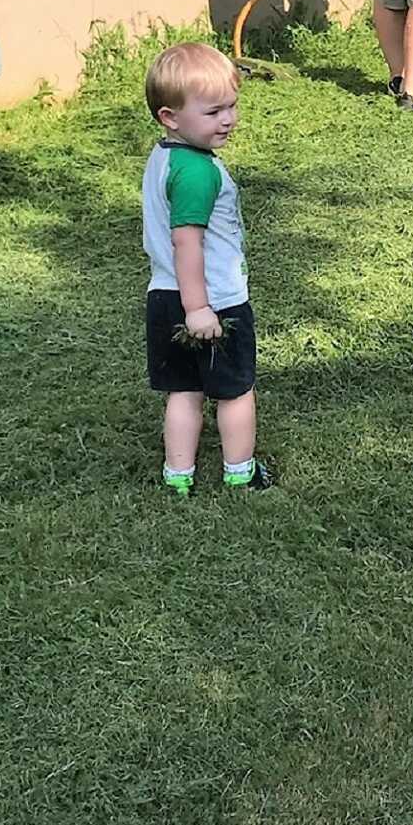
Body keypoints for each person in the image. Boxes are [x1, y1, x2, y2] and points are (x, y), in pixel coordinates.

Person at [142, 41, 273, 496]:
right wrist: (199, 308)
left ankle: (178, 475)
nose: (228, 119)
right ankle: (241, 471)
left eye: (232, 106)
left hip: (163, 295)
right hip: (212, 302)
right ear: (169, 117)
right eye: (214, 110)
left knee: (183, 391)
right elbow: (187, 242)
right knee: (235, 391)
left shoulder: (165, 157)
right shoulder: (198, 172)